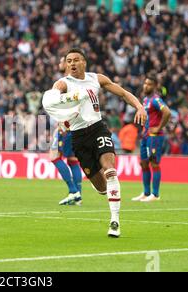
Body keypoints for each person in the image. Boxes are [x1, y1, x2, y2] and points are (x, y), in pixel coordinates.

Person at [42, 48, 147, 237]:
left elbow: (123, 93)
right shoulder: (63, 83)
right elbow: (51, 98)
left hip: (98, 128)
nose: (72, 64)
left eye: (76, 60)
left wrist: (139, 106)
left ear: (84, 62)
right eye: (69, 61)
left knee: (110, 170)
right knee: (102, 187)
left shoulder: (96, 79)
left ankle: (115, 222)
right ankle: (100, 184)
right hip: (79, 137)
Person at [132, 76, 171, 202]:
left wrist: (159, 127)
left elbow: (167, 112)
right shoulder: (145, 100)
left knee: (154, 163)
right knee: (143, 163)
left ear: (154, 86)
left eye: (149, 84)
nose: (145, 86)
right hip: (146, 135)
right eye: (145, 83)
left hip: (154, 137)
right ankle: (146, 192)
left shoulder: (156, 100)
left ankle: (155, 194)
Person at [50, 56, 83, 206]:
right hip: (76, 126)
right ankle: (78, 196)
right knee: (72, 160)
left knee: (55, 157)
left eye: (62, 61)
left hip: (67, 126)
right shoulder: (77, 82)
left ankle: (73, 191)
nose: (60, 63)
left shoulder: (64, 83)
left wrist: (63, 124)